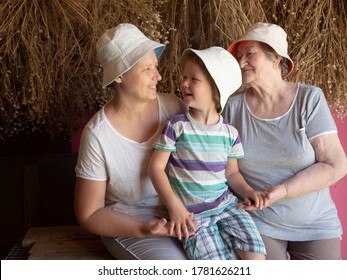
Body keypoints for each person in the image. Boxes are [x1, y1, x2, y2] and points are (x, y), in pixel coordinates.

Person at [222, 22, 347, 260]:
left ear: (275, 59)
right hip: (259, 223)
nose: (240, 62)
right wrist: (249, 194)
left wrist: (283, 191)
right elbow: (230, 171)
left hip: (316, 223)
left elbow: (335, 164)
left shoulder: (309, 99)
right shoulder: (232, 107)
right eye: (239, 56)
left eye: (249, 53)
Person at [74, 23, 190, 260]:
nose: (158, 76)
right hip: (130, 224)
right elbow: (89, 212)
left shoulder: (175, 107)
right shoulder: (98, 135)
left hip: (183, 214)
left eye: (156, 67)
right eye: (147, 69)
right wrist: (144, 228)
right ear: (119, 76)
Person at [148, 47, 267, 260]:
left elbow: (232, 174)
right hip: (193, 216)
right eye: (184, 77)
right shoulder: (176, 126)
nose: (184, 83)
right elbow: (156, 168)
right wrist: (175, 207)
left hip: (226, 206)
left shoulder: (230, 132)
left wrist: (249, 191)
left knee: (256, 256)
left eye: (194, 79)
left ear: (216, 88)